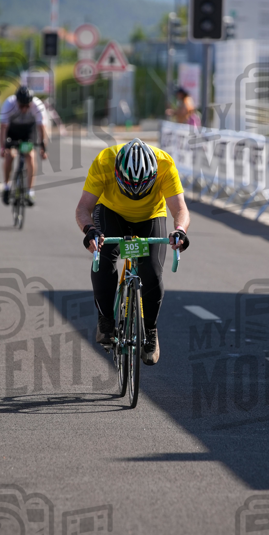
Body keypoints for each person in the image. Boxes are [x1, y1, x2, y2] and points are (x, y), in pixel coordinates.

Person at [75, 138, 190, 366]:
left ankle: (150, 331)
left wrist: (180, 231)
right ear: (117, 172)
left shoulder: (165, 165)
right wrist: (89, 231)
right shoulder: (104, 161)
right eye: (128, 188)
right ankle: (106, 321)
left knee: (153, 273)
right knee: (104, 259)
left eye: (141, 189)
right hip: (111, 212)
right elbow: (83, 208)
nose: (134, 194)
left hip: (151, 215)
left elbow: (180, 209)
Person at [0, 85, 48, 207]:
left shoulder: (37, 106)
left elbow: (42, 129)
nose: (25, 109)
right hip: (12, 130)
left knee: (30, 156)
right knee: (9, 156)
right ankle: (6, 187)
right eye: (22, 106)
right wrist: (3, 148)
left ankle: (29, 191)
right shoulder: (9, 104)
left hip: (28, 131)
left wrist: (43, 148)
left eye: (27, 106)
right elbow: (3, 129)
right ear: (17, 102)